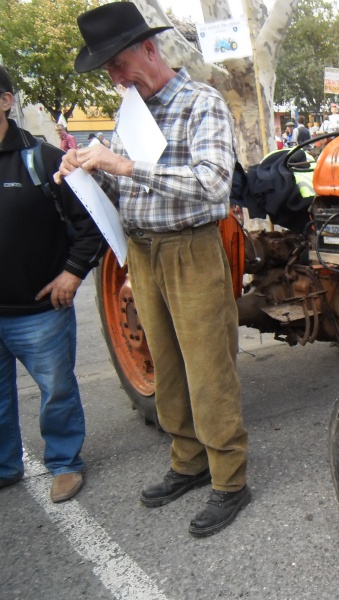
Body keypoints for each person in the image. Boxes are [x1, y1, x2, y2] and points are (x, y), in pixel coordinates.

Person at [60, 2, 250, 536]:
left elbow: (214, 184)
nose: (117, 79)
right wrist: (86, 172)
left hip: (190, 250)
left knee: (210, 368)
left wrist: (124, 164)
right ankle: (188, 462)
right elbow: (123, 187)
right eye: (109, 72)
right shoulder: (131, 114)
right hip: (141, 252)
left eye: (119, 65)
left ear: (150, 49)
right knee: (166, 365)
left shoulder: (200, 102)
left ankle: (230, 480)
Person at [0, 64, 106, 502]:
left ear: (6, 101)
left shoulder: (40, 158)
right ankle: (6, 467)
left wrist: (73, 272)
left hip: (39, 311)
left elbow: (92, 223)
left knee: (55, 391)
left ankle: (64, 462)